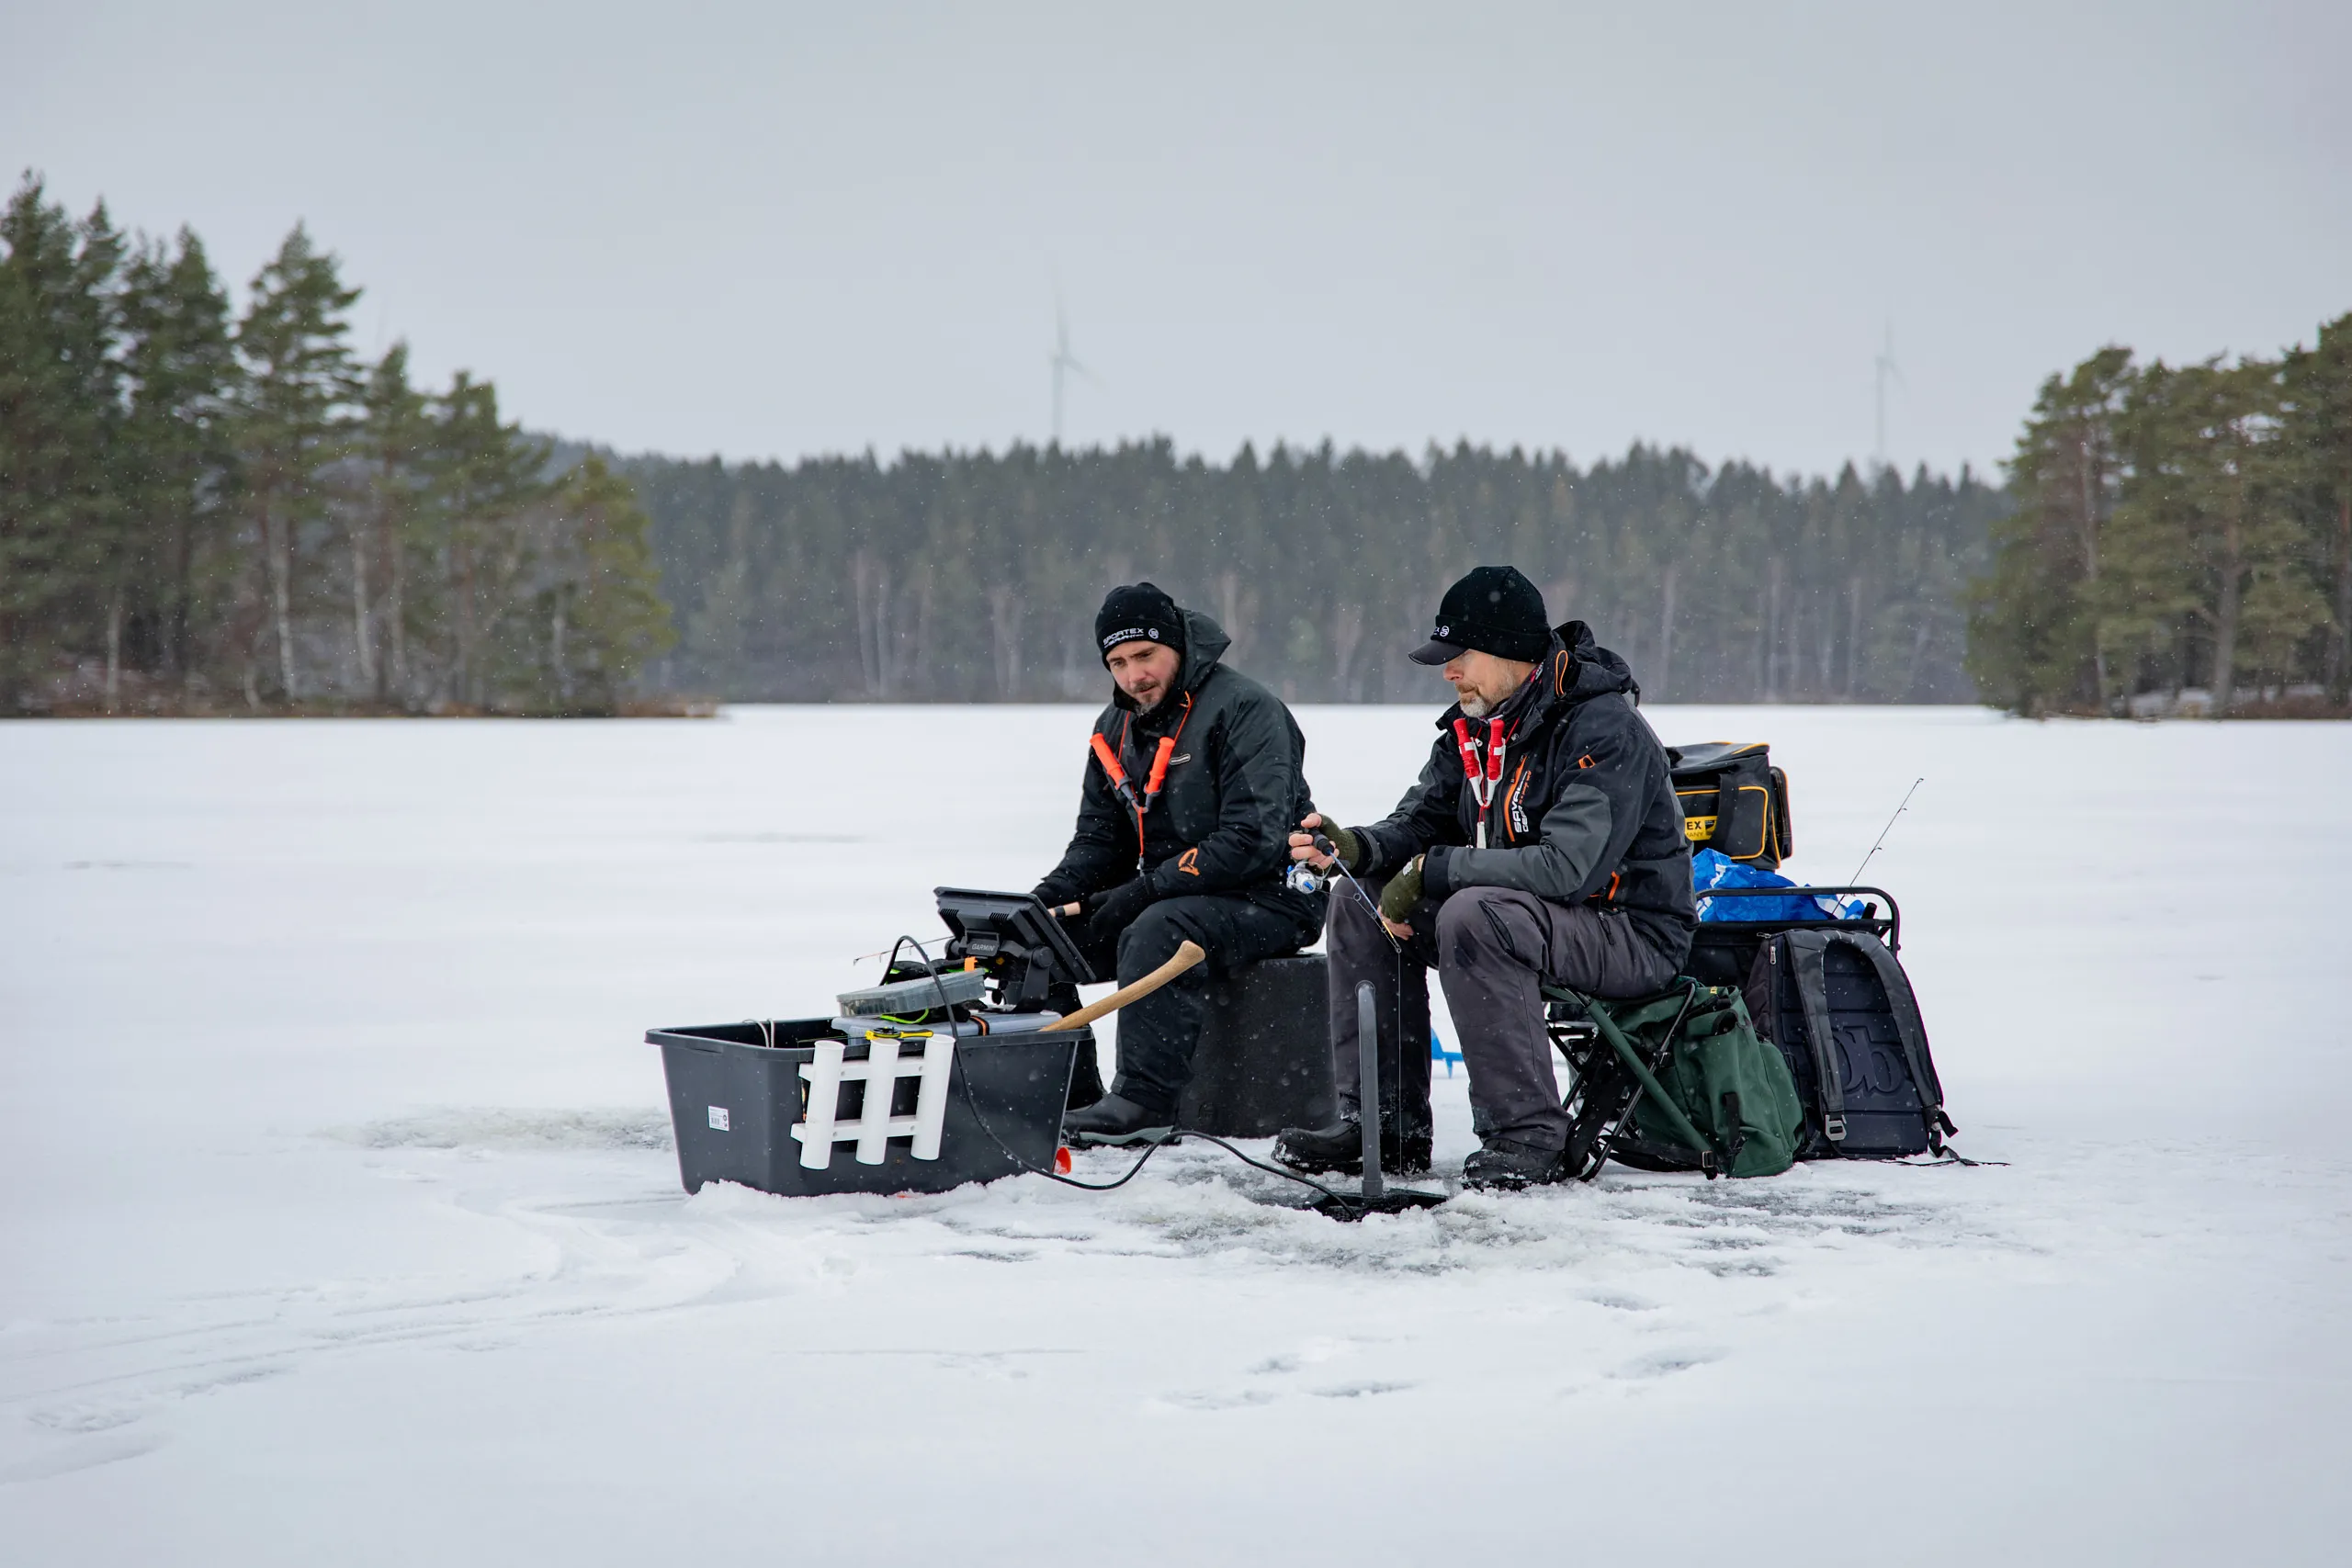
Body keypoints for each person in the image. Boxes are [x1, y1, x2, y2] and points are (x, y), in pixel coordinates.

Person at [1275, 566, 1695, 1190]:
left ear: (1509, 652)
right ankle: (1386, 1128)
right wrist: (1356, 847)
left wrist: (1432, 870)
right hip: (1538, 921)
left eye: (1458, 656)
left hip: (1632, 932)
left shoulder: (1601, 729)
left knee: (1472, 914)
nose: (1447, 672)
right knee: (1358, 902)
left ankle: (1527, 1134)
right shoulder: (1475, 727)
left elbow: (1566, 868)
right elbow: (1419, 822)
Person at [1035, 581, 1327, 1145]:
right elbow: (1098, 846)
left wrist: (1145, 892)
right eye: (1117, 663)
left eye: (1145, 656)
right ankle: (1071, 1100)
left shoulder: (1247, 709)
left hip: (1273, 896)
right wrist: (1042, 903)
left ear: (1179, 646)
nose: (1133, 676)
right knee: (1039, 945)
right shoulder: (1113, 727)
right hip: (1176, 893)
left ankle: (1145, 1105)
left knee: (1158, 928)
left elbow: (1252, 839)